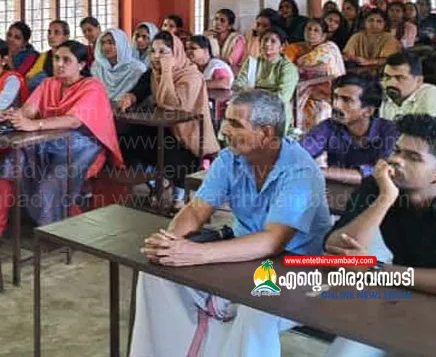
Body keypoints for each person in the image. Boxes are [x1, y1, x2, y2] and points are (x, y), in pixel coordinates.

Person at [130, 89, 332, 357]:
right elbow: (196, 211)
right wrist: (172, 243)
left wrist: (197, 253)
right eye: (226, 120)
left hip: (296, 267)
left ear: (266, 133)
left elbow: (273, 242)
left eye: (236, 124)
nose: (224, 129)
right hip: (242, 255)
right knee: (157, 275)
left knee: (255, 308)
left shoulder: (300, 171)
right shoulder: (230, 158)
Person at [0, 41, 123, 260]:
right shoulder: (49, 84)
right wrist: (14, 115)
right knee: (7, 167)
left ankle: (57, 232)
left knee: (51, 183)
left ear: (81, 65)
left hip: (82, 148)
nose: (59, 64)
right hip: (46, 141)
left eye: (66, 60)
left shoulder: (93, 87)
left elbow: (73, 121)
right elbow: (29, 110)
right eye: (56, 58)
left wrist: (35, 125)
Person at [324, 113, 436, 357]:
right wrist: (385, 198)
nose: (396, 160)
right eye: (397, 151)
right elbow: (337, 249)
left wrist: (376, 270)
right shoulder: (380, 185)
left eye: (413, 158)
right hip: (401, 295)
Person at [118, 31, 220, 188]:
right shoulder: (154, 73)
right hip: (165, 130)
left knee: (166, 152)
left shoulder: (192, 76)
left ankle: (178, 189)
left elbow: (173, 106)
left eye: (163, 52)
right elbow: (140, 89)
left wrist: (167, 71)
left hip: (187, 138)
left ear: (176, 53)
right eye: (153, 51)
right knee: (127, 138)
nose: (156, 56)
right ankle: (148, 181)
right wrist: (130, 97)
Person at [302, 74, 398, 185]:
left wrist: (319, 172)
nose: (336, 105)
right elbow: (299, 154)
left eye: (346, 100)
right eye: (336, 97)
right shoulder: (329, 127)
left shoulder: (390, 132)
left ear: (368, 111)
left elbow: (384, 172)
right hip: (336, 192)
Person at [234, 27, 299, 131]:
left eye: (273, 41)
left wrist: (254, 92)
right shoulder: (252, 63)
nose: (267, 44)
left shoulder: (288, 68)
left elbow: (282, 97)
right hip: (250, 109)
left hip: (275, 113)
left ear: (282, 47)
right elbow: (239, 85)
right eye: (265, 40)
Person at [293, 18, 346, 131]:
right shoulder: (301, 49)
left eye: (316, 30)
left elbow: (327, 69)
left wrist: (300, 69)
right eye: (308, 29)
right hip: (306, 95)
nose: (311, 33)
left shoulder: (328, 48)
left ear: (324, 35)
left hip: (327, 97)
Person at [91, 27, 147, 102]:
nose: (106, 47)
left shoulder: (137, 68)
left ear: (121, 44)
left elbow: (141, 95)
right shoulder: (97, 67)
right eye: (103, 43)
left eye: (111, 43)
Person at [379, 51, 436, 120]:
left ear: (419, 81)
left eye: (399, 78)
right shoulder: (379, 90)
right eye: (387, 76)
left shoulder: (431, 95)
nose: (390, 83)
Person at [26, 20, 70, 90]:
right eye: (49, 32)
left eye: (56, 33)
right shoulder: (45, 55)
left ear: (66, 37)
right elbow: (30, 77)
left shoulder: (72, 56)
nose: (51, 36)